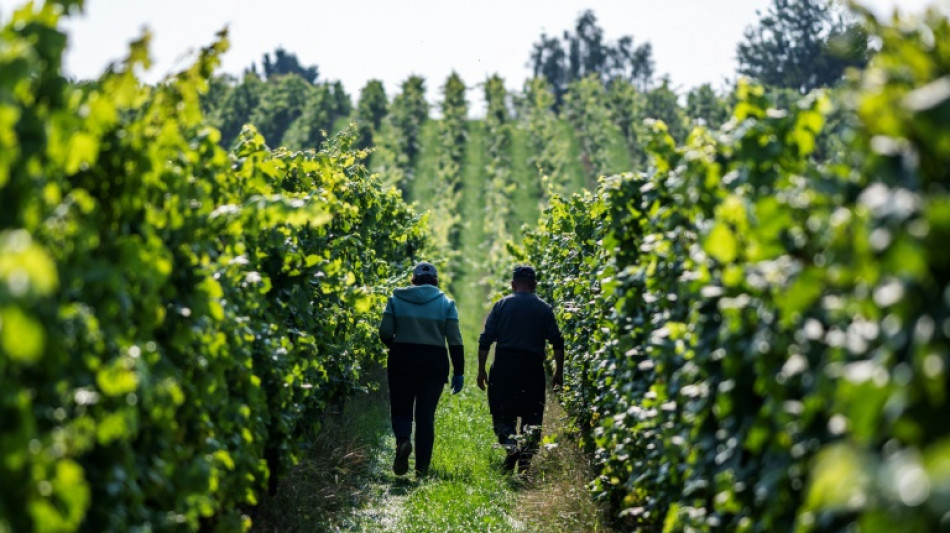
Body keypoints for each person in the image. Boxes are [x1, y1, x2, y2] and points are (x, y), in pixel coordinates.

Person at [379, 261, 464, 477]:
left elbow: (385, 332)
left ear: (413, 279)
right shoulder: (446, 303)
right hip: (434, 363)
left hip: (402, 360)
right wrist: (459, 372)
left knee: (401, 408)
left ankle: (403, 441)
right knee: (425, 416)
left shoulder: (396, 299)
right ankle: (422, 469)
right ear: (435, 281)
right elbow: (454, 341)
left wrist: (397, 347)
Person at [476, 265, 564, 473]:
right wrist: (559, 372)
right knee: (532, 416)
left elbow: (485, 340)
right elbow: (557, 342)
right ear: (534, 285)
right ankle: (524, 465)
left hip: (505, 366)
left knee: (501, 413)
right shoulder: (544, 308)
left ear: (513, 284)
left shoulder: (501, 305)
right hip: (532, 368)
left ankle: (510, 446)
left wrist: (481, 370)